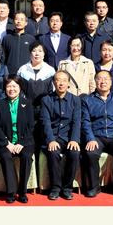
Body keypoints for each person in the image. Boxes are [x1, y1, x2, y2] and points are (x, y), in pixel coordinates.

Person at [81, 70, 113, 198]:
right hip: (97, 136)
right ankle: (94, 187)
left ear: (111, 81)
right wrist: (90, 138)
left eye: (106, 79)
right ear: (95, 81)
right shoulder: (87, 100)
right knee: (90, 154)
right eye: (99, 79)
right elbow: (85, 121)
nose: (103, 82)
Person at [0, 75, 36, 204]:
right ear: (5, 88)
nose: (11, 89)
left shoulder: (27, 104)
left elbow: (31, 126)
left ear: (20, 88)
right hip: (5, 142)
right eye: (8, 86)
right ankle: (11, 192)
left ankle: (22, 192)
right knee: (6, 157)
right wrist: (7, 143)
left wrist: (21, 143)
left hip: (24, 141)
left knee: (26, 157)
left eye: (14, 86)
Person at [40, 71, 81, 201]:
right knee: (53, 152)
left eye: (64, 80)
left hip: (68, 137)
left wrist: (74, 140)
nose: (61, 83)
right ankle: (55, 188)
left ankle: (67, 188)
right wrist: (51, 140)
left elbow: (76, 122)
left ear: (68, 83)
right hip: (53, 137)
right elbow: (45, 122)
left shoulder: (75, 100)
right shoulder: (46, 100)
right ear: (54, 82)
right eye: (58, 80)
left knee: (74, 153)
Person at [17, 42, 56, 107]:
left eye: (40, 51)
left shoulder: (50, 71)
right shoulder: (22, 70)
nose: (37, 54)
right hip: (26, 106)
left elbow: (53, 90)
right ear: (30, 54)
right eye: (34, 51)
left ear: (44, 54)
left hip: (45, 107)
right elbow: (19, 89)